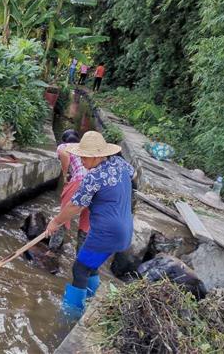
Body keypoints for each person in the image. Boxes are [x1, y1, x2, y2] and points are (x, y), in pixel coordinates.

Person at [46, 131, 134, 318]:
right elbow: (131, 177)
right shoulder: (122, 164)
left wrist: (55, 222)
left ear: (98, 156)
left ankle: (70, 316)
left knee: (79, 269)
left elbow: (75, 207)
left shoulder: (93, 177)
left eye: (85, 157)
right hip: (125, 231)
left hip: (105, 232)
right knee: (91, 267)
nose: (82, 161)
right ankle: (91, 303)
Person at [48, 129, 90, 253]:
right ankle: (81, 254)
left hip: (78, 180)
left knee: (63, 215)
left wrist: (65, 175)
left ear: (64, 140)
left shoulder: (64, 146)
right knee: (86, 220)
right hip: (94, 182)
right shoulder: (85, 147)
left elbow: (64, 154)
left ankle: (53, 250)